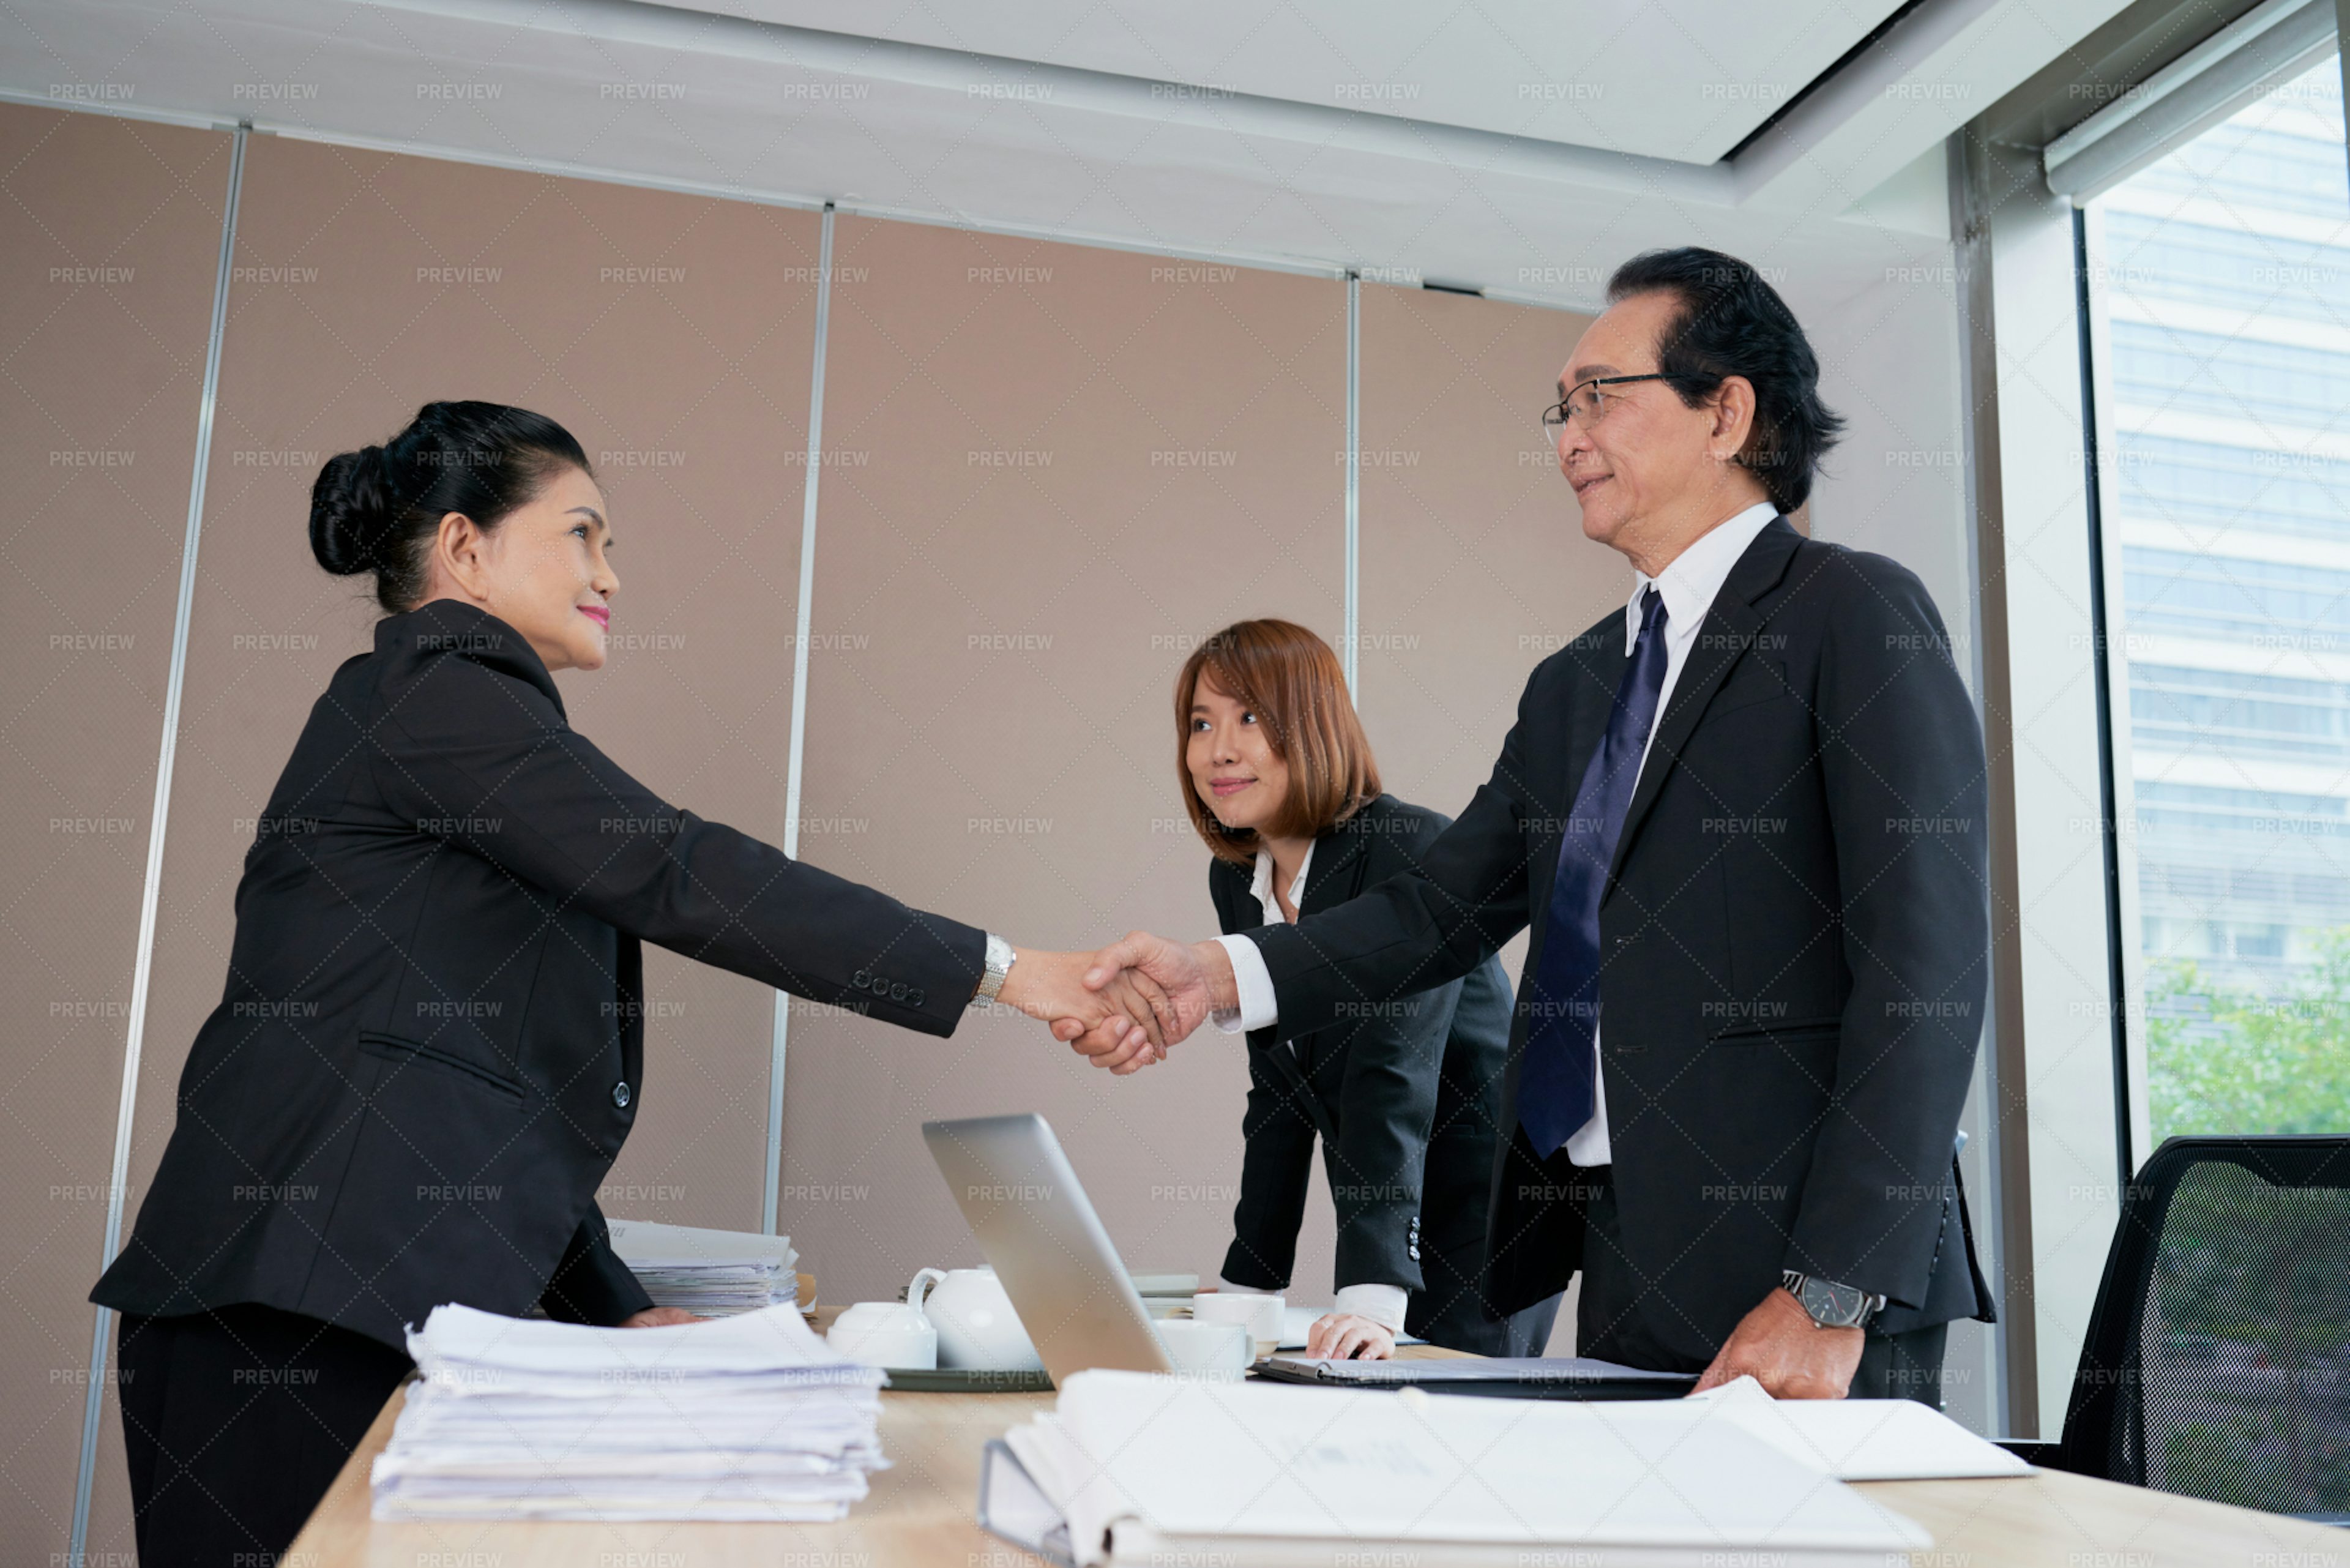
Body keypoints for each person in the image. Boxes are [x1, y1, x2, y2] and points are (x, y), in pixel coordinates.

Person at [92, 401, 1163, 1567]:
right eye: (583, 534)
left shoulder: (462, 726)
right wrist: (1010, 971)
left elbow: (465, 1096)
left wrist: (611, 1301)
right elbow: (678, 867)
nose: (610, 573)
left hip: (335, 1304)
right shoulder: (432, 695)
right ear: (465, 549)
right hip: (288, 1315)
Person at [1069, 248, 1996, 1402]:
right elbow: (1432, 909)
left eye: (1602, 395)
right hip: (1623, 1241)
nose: (1568, 435)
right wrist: (1215, 975)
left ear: (1728, 412)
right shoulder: (1578, 685)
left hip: (1806, 1269)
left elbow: (1929, 973)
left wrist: (1830, 1290)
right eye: (1562, 406)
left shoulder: (1851, 614)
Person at [1175, 619, 1555, 1359]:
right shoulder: (1238, 880)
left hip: (1481, 1218)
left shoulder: (1407, 850)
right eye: (1200, 722)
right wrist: (1249, 1285)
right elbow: (1280, 1090)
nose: (1219, 748)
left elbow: (1393, 1075)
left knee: (1449, 1444)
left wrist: (1374, 1295)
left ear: (1313, 726)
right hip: (1394, 1190)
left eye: (1249, 716)